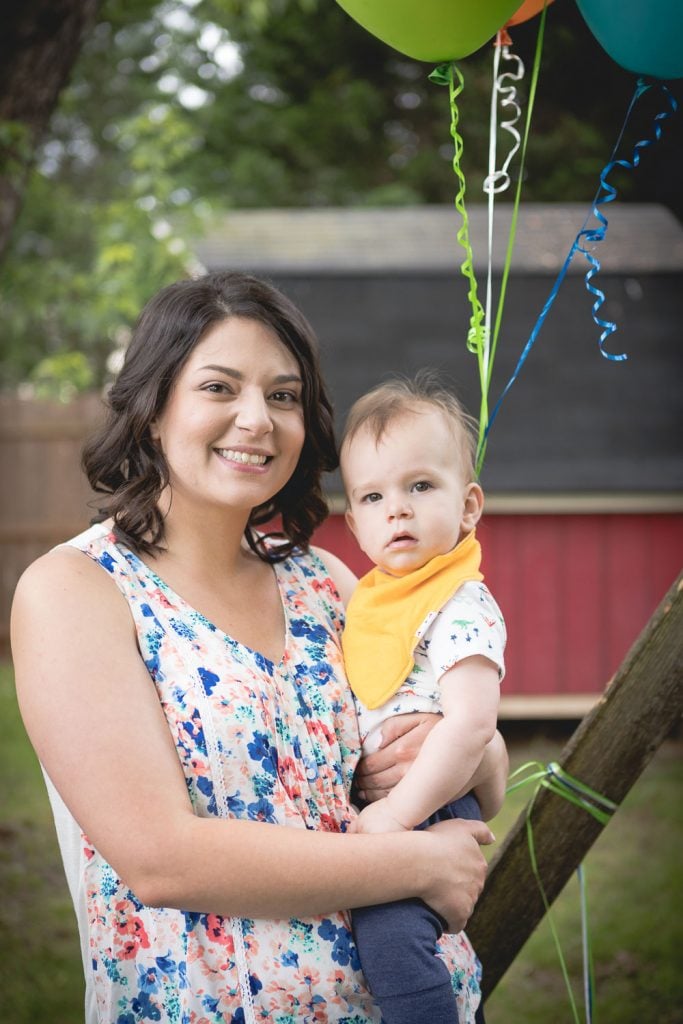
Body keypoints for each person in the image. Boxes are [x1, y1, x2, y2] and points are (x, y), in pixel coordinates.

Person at [11, 272, 506, 1024]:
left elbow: (470, 768)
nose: (257, 420)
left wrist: (476, 748)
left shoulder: (330, 585)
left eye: (282, 396)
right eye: (219, 387)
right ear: (152, 410)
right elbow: (161, 859)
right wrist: (411, 861)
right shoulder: (78, 590)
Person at [339, 373, 507, 1024]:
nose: (396, 509)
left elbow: (468, 728)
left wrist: (395, 817)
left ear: (467, 506)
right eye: (374, 495)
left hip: (428, 805)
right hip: (393, 807)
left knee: (390, 939)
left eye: (419, 486)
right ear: (353, 523)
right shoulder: (375, 600)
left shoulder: (458, 603)